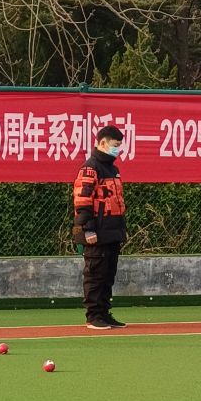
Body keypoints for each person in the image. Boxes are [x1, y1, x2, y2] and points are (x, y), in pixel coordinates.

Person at [72, 125, 128, 329]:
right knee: (95, 275)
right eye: (115, 145)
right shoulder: (90, 168)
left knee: (108, 275)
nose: (117, 149)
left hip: (112, 232)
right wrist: (88, 229)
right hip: (96, 233)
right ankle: (94, 315)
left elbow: (117, 201)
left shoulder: (113, 169)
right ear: (102, 143)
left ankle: (104, 313)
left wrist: (121, 230)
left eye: (119, 145)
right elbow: (83, 201)